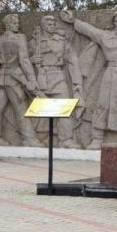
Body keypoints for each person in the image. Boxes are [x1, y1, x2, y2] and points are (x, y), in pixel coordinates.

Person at [61, 10, 117, 149]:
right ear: (113, 22)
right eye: (116, 21)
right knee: (103, 104)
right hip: (109, 73)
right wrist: (74, 21)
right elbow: (90, 31)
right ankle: (97, 138)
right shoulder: (106, 36)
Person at [0, 12, 42, 146]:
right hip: (14, 77)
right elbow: (24, 61)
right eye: (15, 23)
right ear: (8, 25)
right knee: (20, 108)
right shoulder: (20, 38)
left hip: (1, 78)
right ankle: (29, 139)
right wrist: (32, 80)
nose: (18, 25)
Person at [29, 14, 82, 148]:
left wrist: (77, 82)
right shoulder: (34, 42)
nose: (52, 25)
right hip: (41, 78)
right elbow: (23, 60)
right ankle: (41, 138)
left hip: (58, 76)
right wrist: (31, 60)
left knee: (64, 108)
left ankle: (66, 140)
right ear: (42, 26)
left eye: (53, 23)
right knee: (40, 111)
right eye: (49, 23)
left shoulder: (62, 41)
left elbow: (72, 60)